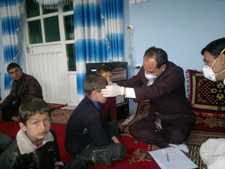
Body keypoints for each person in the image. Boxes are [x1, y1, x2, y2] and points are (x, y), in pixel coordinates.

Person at [101, 46, 196, 148]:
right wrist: (114, 85)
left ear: (163, 67)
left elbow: (154, 90)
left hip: (177, 116)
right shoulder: (147, 67)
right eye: (145, 69)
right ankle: (168, 143)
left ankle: (171, 138)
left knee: (177, 136)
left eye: (150, 71)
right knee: (135, 130)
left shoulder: (176, 73)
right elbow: (134, 81)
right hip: (157, 115)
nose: (146, 73)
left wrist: (122, 91)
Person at [65, 74, 125, 169]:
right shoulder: (91, 114)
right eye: (105, 92)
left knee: (113, 125)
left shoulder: (91, 102)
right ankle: (83, 159)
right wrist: (113, 142)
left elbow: (103, 123)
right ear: (94, 93)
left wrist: (113, 136)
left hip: (85, 136)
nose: (108, 94)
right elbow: (102, 142)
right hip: (79, 148)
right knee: (119, 150)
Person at [0, 97, 64, 169]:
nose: (43, 127)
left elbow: (56, 159)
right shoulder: (14, 158)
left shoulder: (50, 134)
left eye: (46, 120)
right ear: (23, 126)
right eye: (35, 122)